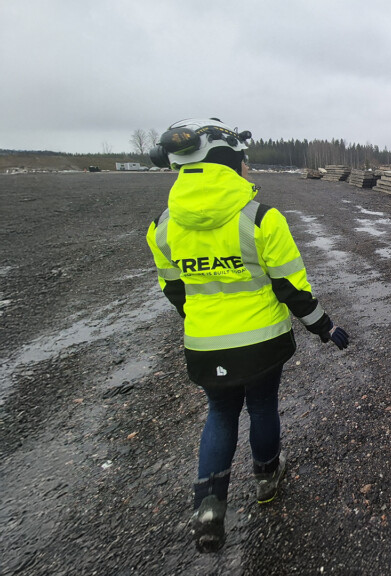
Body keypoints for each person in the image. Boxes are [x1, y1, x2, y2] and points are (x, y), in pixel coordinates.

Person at [145, 118, 350, 552]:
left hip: (204, 344)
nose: (247, 169)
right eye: (243, 161)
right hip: (261, 343)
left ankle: (208, 507)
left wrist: (203, 319)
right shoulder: (261, 219)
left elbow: (174, 288)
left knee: (219, 414)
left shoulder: (163, 225)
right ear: (226, 160)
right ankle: (266, 478)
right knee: (261, 406)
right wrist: (324, 327)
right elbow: (291, 288)